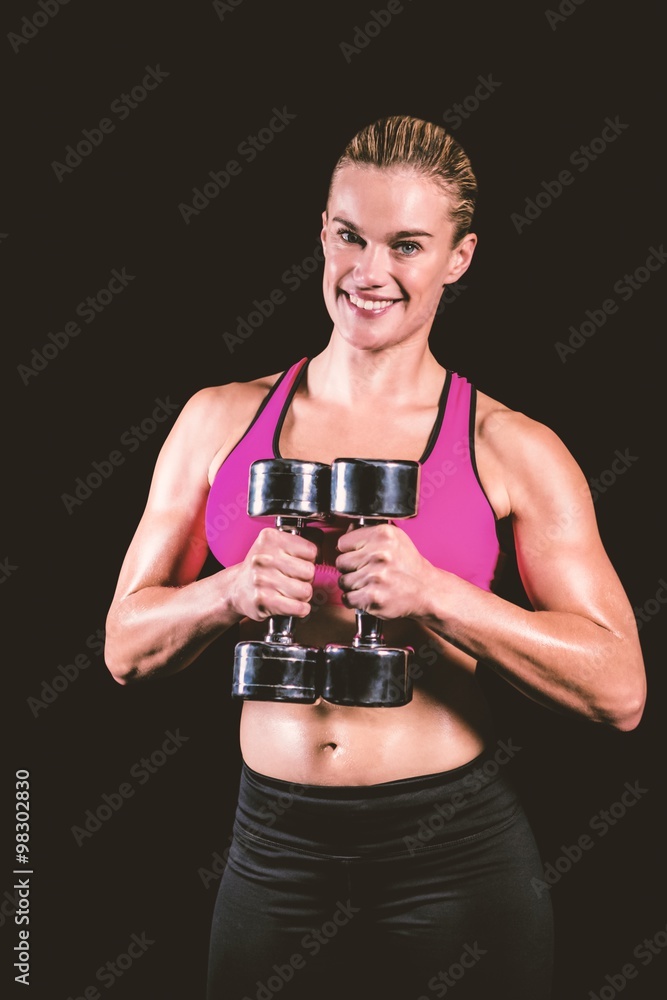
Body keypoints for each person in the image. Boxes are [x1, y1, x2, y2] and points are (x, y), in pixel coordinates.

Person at [104, 115, 647, 1000]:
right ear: (322, 231)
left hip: (450, 853)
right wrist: (225, 593)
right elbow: (123, 648)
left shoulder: (509, 446)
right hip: (270, 847)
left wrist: (438, 595)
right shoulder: (218, 419)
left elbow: (619, 690)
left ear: (458, 257)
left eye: (406, 246)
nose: (368, 273)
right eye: (349, 236)